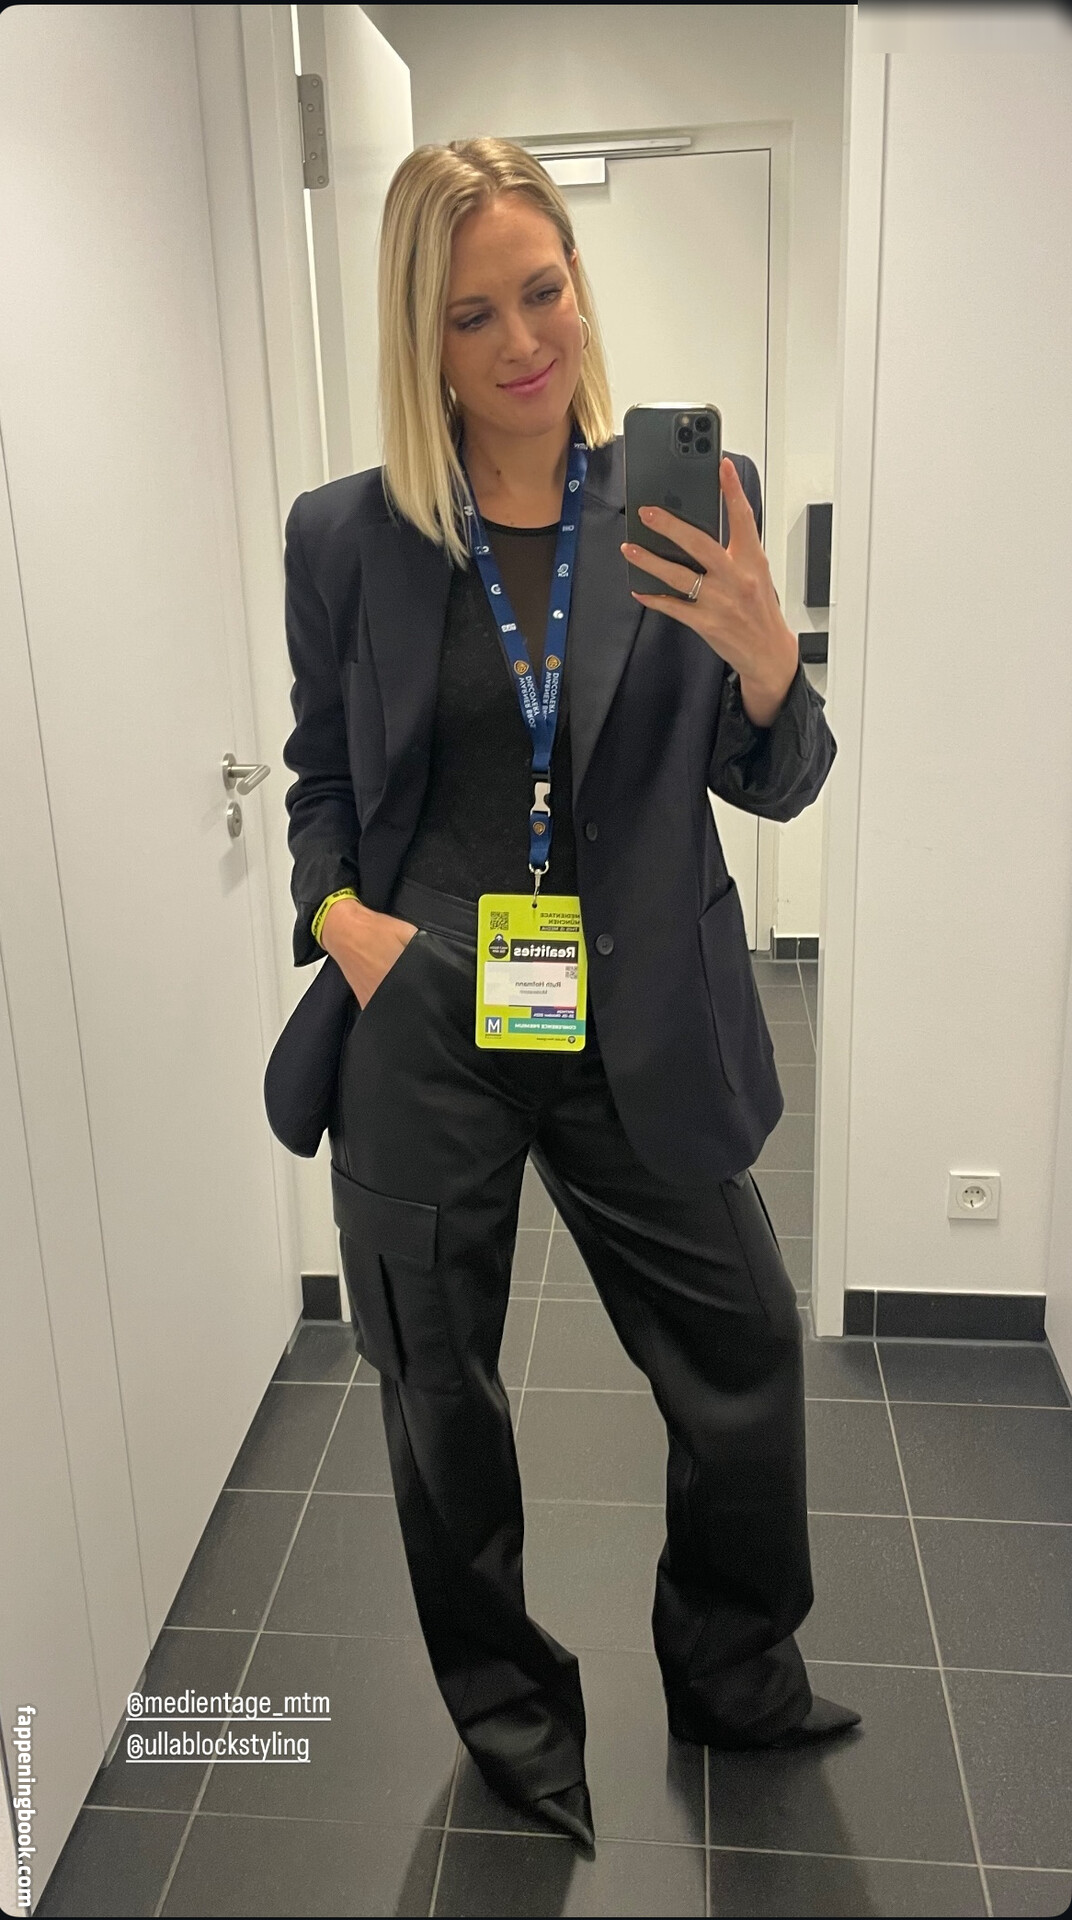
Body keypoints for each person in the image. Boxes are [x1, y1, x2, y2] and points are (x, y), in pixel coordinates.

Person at [272, 136, 859, 1853]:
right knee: (437, 1391)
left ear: (578, 287)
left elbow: (775, 779)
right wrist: (339, 919)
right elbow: (320, 777)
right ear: (425, 338)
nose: (524, 340)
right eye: (474, 315)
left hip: (638, 1006)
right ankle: (513, 1717)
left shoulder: (684, 500)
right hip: (426, 1013)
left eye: (543, 291)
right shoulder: (347, 539)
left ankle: (732, 1668)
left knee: (742, 1344)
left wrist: (773, 668)